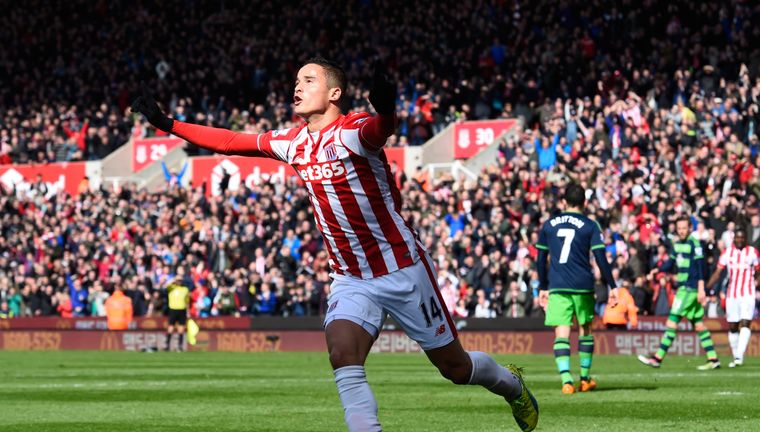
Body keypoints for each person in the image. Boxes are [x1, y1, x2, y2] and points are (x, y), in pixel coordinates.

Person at [132, 57, 538, 431]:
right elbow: (230, 141)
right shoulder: (292, 143)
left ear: (334, 94)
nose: (298, 86)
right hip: (350, 277)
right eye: (296, 80)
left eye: (309, 80)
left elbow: (380, 130)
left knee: (454, 367)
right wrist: (168, 124)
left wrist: (387, 109)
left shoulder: (353, 131)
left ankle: (511, 385)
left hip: (402, 269)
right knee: (343, 356)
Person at [535, 183, 618, 394]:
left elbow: (541, 258)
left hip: (558, 285)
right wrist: (612, 285)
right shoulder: (590, 225)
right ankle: (584, 378)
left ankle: (566, 381)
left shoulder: (549, 224)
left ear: (564, 202)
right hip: (583, 285)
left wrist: (543, 287)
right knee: (585, 330)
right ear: (585, 203)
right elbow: (600, 257)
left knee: (561, 333)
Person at [638, 217, 721, 370]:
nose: (682, 231)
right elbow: (670, 263)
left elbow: (700, 267)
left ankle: (657, 358)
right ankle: (713, 359)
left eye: (684, 228)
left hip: (689, 289)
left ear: (690, 228)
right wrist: (658, 269)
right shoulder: (677, 245)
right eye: (679, 228)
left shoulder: (695, 244)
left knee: (672, 321)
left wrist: (701, 288)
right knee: (699, 325)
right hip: (685, 288)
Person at [705, 228, 760, 367]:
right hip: (732, 294)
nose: (739, 240)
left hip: (748, 293)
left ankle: (739, 357)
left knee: (745, 322)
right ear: (733, 239)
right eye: (737, 238)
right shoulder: (727, 253)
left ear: (745, 238)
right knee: (733, 326)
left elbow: (759, 272)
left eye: (742, 238)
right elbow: (718, 272)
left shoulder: (752, 252)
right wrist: (707, 288)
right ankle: (736, 355)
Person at [165, 266, 190, 352]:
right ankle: (167, 345)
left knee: (181, 328)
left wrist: (188, 311)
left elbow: (187, 301)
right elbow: (166, 285)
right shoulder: (171, 288)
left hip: (182, 309)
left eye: (180, 280)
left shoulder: (185, 289)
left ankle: (179, 346)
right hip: (173, 309)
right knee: (171, 327)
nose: (179, 282)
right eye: (178, 280)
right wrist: (174, 279)